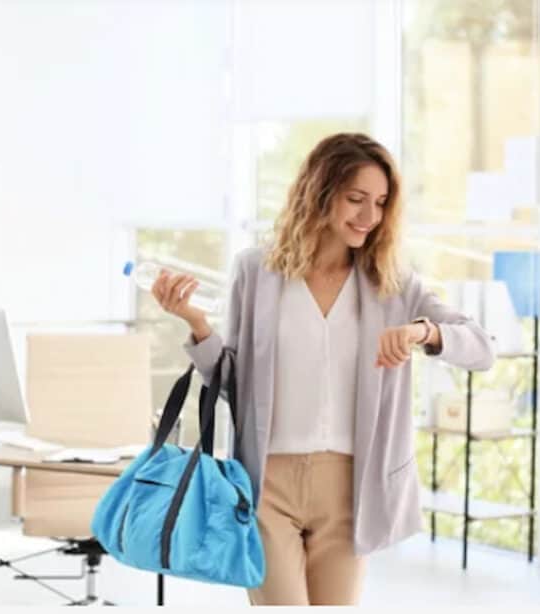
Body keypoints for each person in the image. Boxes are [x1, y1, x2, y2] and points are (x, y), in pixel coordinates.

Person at [150, 132, 496, 605]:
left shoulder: (392, 284)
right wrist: (195, 323)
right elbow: (234, 385)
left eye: (379, 203)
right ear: (319, 191)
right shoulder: (256, 273)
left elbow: (482, 347)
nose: (369, 217)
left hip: (351, 489)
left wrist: (423, 332)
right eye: (356, 199)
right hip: (268, 483)